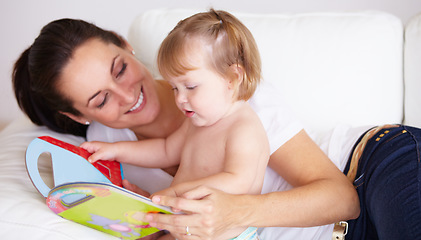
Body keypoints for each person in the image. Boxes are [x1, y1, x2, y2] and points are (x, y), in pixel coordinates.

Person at [11, 8, 421, 240]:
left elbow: (341, 198)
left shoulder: (228, 91)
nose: (126, 96)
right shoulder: (105, 150)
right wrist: (143, 216)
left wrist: (231, 211)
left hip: (371, 171)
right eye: (99, 99)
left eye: (119, 69)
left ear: (125, 44)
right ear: (78, 117)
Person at [80, 10, 270, 240]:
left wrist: (178, 194)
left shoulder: (243, 128)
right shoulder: (198, 122)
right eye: (174, 88)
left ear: (232, 78)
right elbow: (166, 149)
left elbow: (239, 180)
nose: (179, 98)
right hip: (186, 230)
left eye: (190, 87)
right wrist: (116, 150)